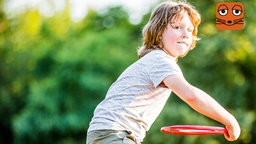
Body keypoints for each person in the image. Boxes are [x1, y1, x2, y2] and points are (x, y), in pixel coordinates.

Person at [86, 1, 241, 143]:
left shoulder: (155, 60)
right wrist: (229, 120)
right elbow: (191, 95)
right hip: (115, 133)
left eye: (190, 30)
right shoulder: (160, 60)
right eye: (177, 27)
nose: (186, 34)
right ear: (159, 32)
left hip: (109, 132)